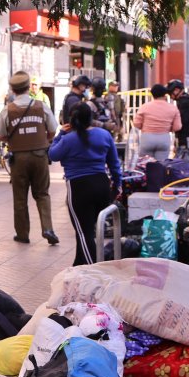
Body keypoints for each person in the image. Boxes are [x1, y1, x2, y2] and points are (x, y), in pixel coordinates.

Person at [48, 103, 122, 266]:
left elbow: (52, 154)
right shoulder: (104, 135)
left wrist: (60, 133)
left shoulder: (68, 139)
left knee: (84, 232)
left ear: (71, 120)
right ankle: (79, 265)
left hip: (78, 187)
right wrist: (118, 185)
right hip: (102, 185)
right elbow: (114, 163)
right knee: (89, 230)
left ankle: (93, 270)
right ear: (91, 118)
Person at [0, 71, 60, 245]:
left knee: (20, 197)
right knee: (42, 194)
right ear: (28, 87)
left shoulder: (8, 110)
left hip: (19, 158)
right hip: (40, 156)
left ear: (13, 90)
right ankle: (48, 228)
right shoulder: (41, 106)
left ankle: (23, 234)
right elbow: (53, 128)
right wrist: (44, 140)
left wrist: (12, 139)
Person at [132, 84, 181, 162]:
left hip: (147, 138)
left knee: (145, 164)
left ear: (152, 94)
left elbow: (136, 124)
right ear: (165, 94)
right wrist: (168, 128)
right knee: (161, 165)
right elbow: (177, 127)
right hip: (164, 138)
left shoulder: (144, 107)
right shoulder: (173, 108)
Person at [168, 79, 189, 156]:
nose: (171, 97)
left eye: (170, 93)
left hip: (186, 138)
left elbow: (182, 121)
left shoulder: (184, 101)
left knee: (185, 163)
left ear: (176, 90)